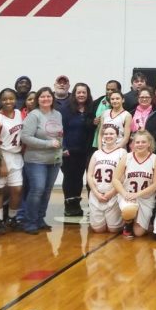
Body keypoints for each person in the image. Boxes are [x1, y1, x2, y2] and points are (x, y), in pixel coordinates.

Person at [20, 87, 64, 235]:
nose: (46, 99)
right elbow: (25, 137)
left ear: (53, 98)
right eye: (42, 97)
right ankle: (30, 221)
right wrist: (47, 144)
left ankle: (40, 219)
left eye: (48, 96)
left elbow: (58, 136)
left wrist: (60, 151)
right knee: (37, 189)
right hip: (35, 160)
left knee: (46, 191)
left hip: (54, 161)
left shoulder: (57, 114)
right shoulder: (34, 115)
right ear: (38, 99)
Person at [114, 130, 156, 239]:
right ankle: (128, 223)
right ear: (133, 144)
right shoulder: (127, 157)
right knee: (129, 210)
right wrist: (124, 193)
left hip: (146, 198)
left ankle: (138, 221)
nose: (140, 145)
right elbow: (115, 179)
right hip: (128, 196)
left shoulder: (155, 159)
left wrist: (138, 194)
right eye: (137, 142)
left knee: (139, 233)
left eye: (143, 142)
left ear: (149, 143)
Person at [0, 88, 25, 234]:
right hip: (2, 155)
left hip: (16, 156)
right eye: (4, 99)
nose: (8, 101)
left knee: (17, 189)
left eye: (11, 98)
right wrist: (1, 163)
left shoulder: (19, 114)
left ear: (15, 99)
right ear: (0, 101)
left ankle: (11, 218)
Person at [59, 83, 95, 217]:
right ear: (74, 94)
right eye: (78, 92)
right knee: (70, 178)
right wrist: (64, 147)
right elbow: (60, 130)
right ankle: (69, 206)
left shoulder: (90, 109)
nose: (81, 95)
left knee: (80, 178)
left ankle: (77, 204)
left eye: (84, 92)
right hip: (69, 151)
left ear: (88, 94)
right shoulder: (65, 110)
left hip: (84, 151)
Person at [86, 125, 124, 233]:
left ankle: (126, 222)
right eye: (106, 134)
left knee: (113, 230)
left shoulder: (122, 153)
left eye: (111, 133)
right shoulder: (96, 153)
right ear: (102, 137)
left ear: (117, 136)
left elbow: (124, 177)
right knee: (99, 230)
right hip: (97, 194)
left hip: (113, 194)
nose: (108, 136)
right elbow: (89, 175)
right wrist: (96, 193)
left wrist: (111, 193)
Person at [131, 87, 156, 158]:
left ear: (151, 98)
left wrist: (147, 133)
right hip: (134, 147)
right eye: (142, 97)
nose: (144, 99)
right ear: (138, 98)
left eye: (147, 97)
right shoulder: (131, 112)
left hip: (152, 149)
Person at [91, 80, 121, 149]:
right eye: (108, 89)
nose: (109, 91)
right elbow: (88, 119)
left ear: (119, 90)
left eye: (113, 90)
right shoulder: (97, 102)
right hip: (97, 143)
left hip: (116, 144)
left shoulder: (124, 105)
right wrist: (93, 122)